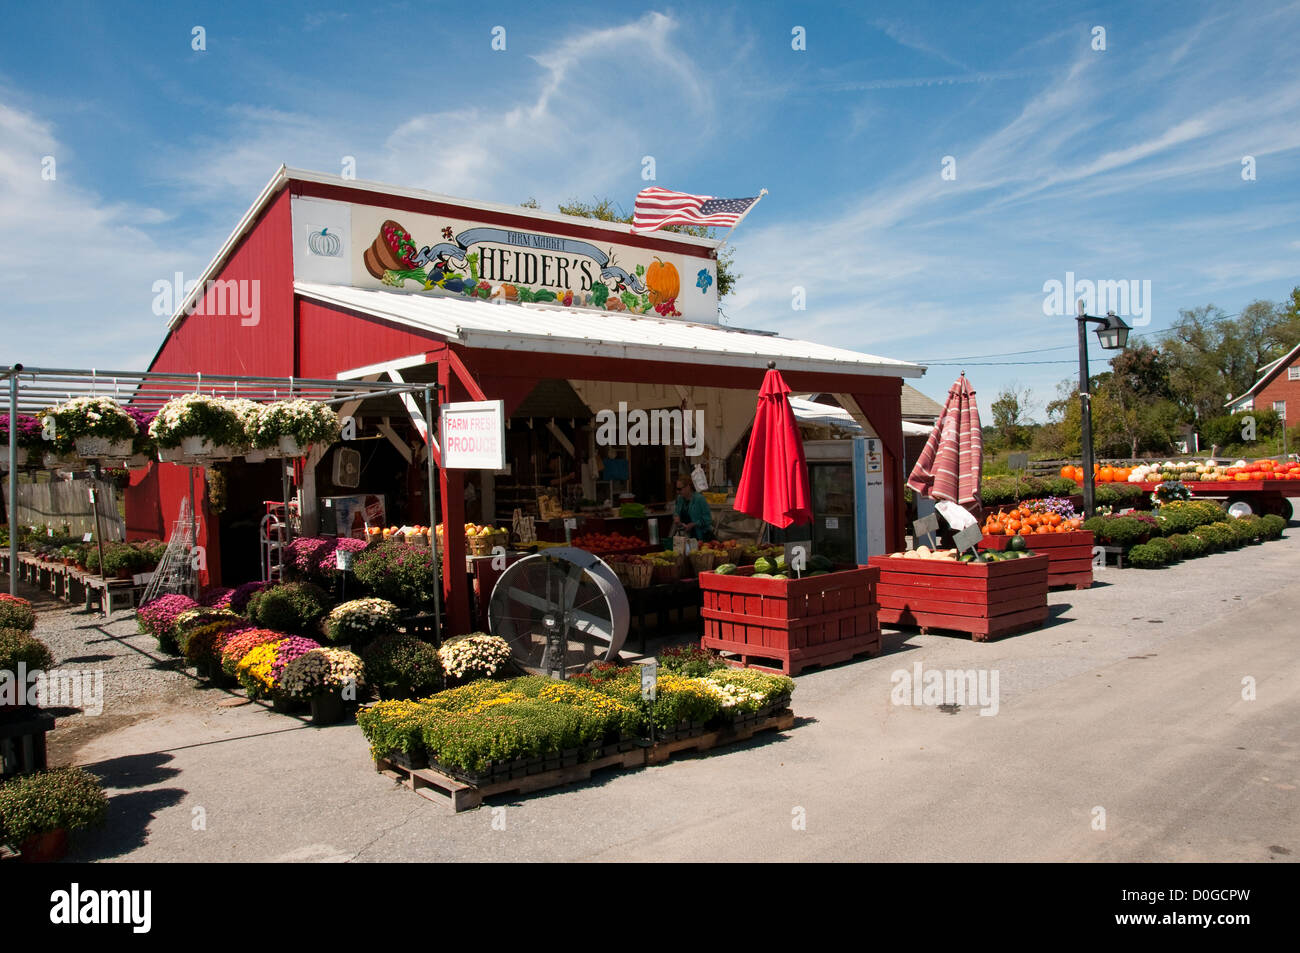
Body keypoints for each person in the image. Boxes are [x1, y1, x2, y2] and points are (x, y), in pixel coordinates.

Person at [672, 476, 714, 541]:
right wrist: (676, 518)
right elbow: (676, 512)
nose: (678, 492)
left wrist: (693, 524)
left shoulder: (699, 499)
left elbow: (708, 519)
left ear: (688, 487)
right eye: (676, 489)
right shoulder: (680, 499)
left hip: (700, 537)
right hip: (685, 536)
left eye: (680, 489)